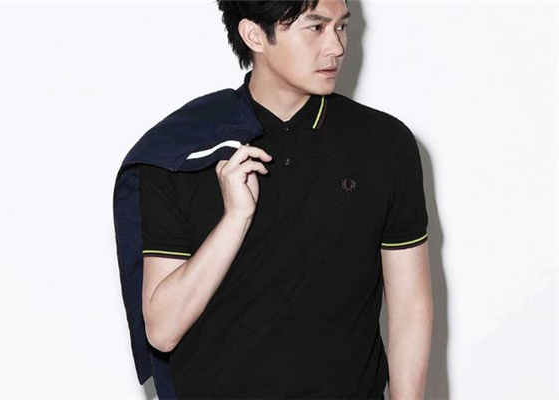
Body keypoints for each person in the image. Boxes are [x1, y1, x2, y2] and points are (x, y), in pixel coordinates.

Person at [139, 0, 433, 398]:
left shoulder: (384, 145)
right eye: (315, 27)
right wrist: (234, 220)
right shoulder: (183, 149)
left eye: (341, 27)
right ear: (254, 35)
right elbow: (162, 330)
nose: (336, 47)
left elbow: (410, 305)